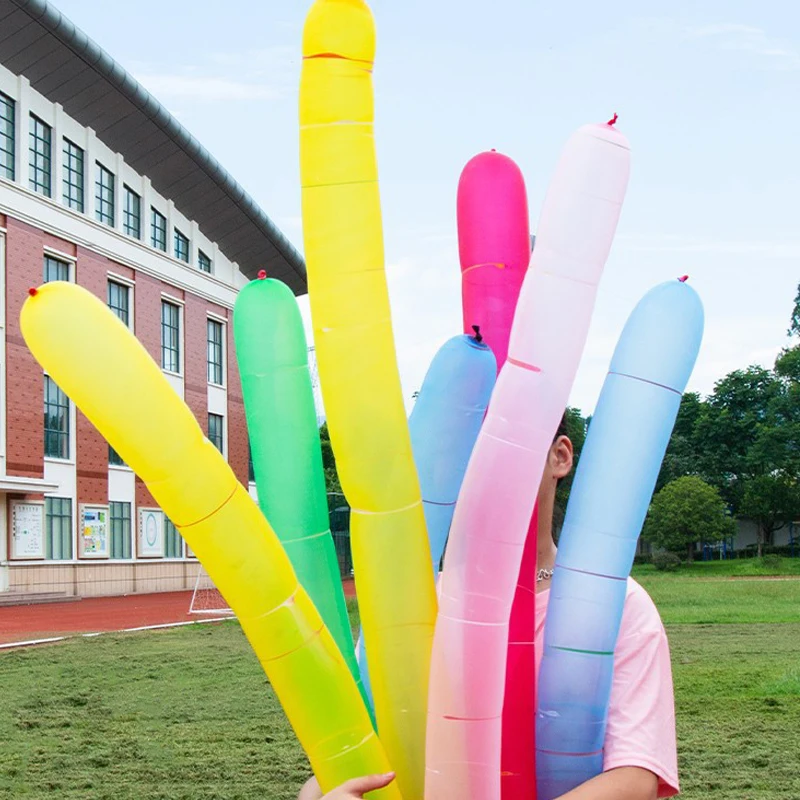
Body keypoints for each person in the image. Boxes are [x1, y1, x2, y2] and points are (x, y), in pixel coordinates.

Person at [299, 417, 679, 799]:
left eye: (508, 444)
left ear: (559, 457)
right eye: (466, 453)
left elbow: (635, 776)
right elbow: (364, 753)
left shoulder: (619, 606)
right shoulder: (414, 608)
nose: (483, 470)